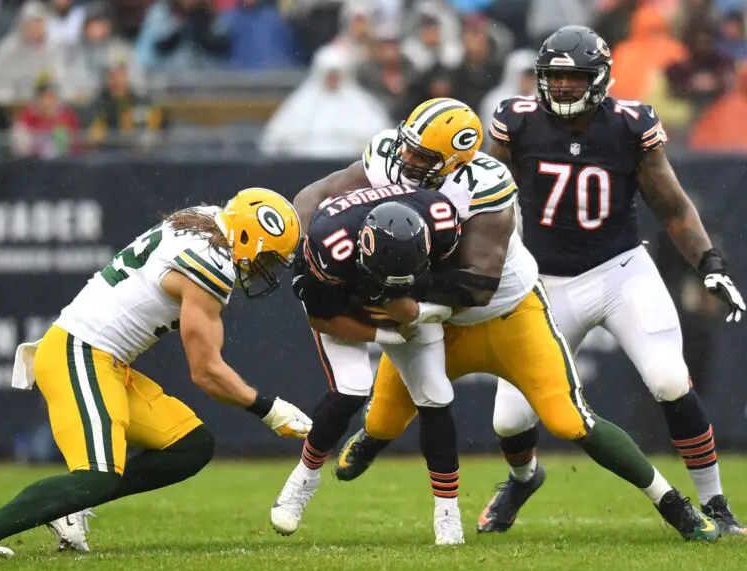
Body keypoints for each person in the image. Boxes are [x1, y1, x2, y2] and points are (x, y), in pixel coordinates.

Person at [285, 97, 719, 544]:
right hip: (440, 325)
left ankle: (674, 505)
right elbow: (318, 195)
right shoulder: (389, 157)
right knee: (381, 422)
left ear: (453, 161)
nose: (407, 160)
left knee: (571, 420)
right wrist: (301, 240)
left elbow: (478, 284)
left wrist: (411, 307)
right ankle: (373, 437)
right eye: (408, 147)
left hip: (507, 315)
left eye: (422, 157)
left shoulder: (486, 185)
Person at [0, 188, 312, 558]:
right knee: (94, 476)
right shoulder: (210, 266)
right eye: (269, 259)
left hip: (106, 362)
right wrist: (268, 409)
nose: (268, 271)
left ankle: (69, 506)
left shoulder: (208, 220)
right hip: (79, 353)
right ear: (246, 237)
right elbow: (206, 372)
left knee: (191, 446)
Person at [473, 26, 746, 536]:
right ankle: (522, 479)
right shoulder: (516, 122)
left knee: (669, 379)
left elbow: (672, 205)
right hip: (543, 283)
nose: (563, 88)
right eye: (554, 78)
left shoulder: (629, 125)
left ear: (598, 80)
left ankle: (715, 504)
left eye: (575, 79)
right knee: (509, 420)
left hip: (619, 271)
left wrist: (709, 263)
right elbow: (487, 198)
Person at [271, 188, 466, 545]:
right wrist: (388, 335)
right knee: (352, 388)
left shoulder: (441, 219)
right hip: (345, 308)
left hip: (412, 307)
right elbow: (321, 318)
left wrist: (417, 312)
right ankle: (302, 481)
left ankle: (448, 513)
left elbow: (463, 290)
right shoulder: (328, 245)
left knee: (436, 394)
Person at [259, 46, 392, 158]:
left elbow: (381, 142)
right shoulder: (299, 105)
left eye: (336, 75)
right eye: (329, 75)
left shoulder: (363, 106)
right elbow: (273, 141)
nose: (332, 79)